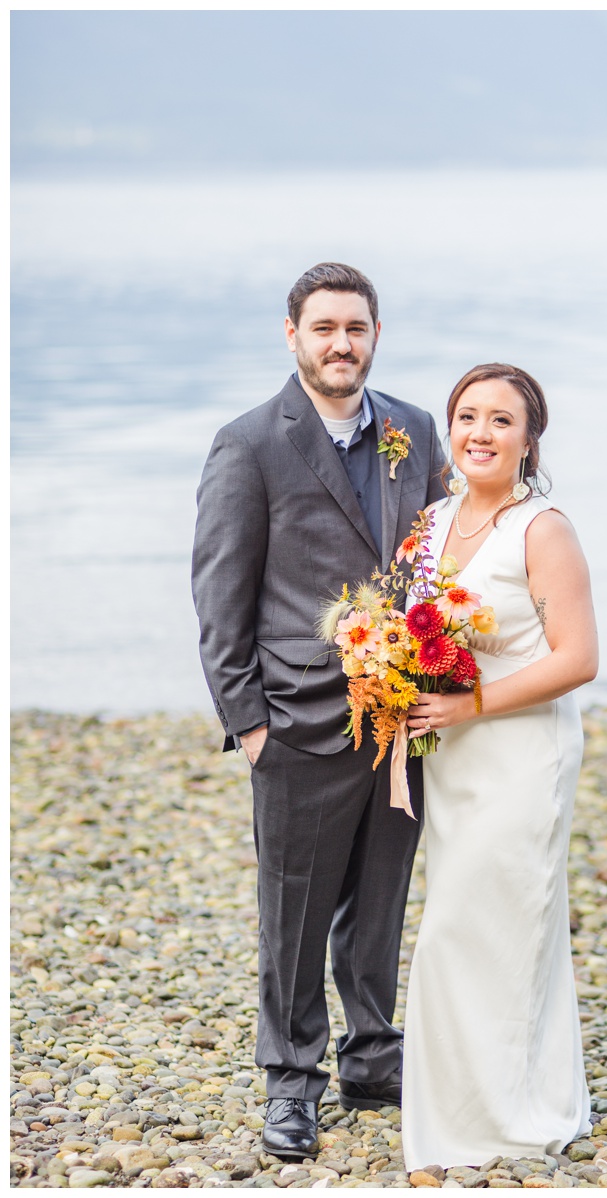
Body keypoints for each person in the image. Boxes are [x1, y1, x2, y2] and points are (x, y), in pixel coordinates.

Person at [192, 262, 449, 1159]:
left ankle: (373, 1056)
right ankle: (291, 1082)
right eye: (325, 328)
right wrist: (250, 722)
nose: (342, 344)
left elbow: (444, 561)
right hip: (298, 721)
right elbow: (221, 596)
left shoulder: (415, 431)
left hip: (403, 718)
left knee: (379, 902)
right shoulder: (249, 444)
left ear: (376, 334)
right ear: (292, 334)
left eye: (357, 328)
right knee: (293, 915)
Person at [399, 363, 598, 1168]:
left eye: (501, 421)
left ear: (529, 440)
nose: (481, 433)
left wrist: (470, 704)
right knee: (492, 921)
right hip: (452, 759)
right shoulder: (431, 522)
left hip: (522, 753)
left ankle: (489, 1121)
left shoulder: (542, 528)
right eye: (467, 417)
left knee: (480, 923)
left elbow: (579, 657)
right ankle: (525, 1092)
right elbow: (411, 628)